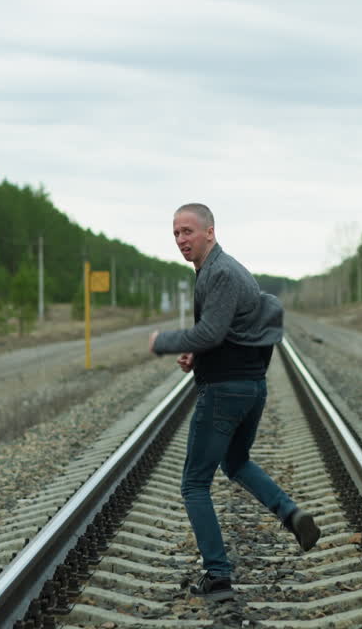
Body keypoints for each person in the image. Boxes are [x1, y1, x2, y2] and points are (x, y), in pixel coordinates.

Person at [148, 203, 320, 602]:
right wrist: (198, 354)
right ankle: (290, 514)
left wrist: (168, 342)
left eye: (187, 231)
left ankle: (218, 574)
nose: (181, 240)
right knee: (236, 462)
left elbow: (210, 332)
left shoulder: (221, 272)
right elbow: (229, 329)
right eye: (175, 233)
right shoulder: (221, 271)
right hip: (249, 389)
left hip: (226, 392)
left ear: (210, 231)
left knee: (194, 483)